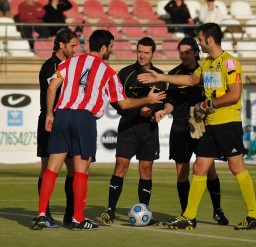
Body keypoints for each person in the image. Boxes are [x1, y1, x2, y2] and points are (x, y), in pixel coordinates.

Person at [32, 30, 166, 231]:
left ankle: (41, 214)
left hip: (62, 115)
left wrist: (50, 114)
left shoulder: (72, 61)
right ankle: (78, 219)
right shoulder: (108, 71)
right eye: (111, 47)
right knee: (81, 169)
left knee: (52, 168)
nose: (112, 50)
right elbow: (123, 103)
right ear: (103, 48)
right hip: (83, 118)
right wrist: (148, 99)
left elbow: (52, 87)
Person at [138, 23, 256, 230]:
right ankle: (189, 216)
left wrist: (207, 105)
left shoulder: (230, 63)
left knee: (236, 167)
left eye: (201, 39)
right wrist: (160, 77)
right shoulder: (206, 64)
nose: (200, 42)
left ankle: (253, 215)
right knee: (199, 167)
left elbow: (234, 94)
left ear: (210, 40)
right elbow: (190, 79)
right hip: (210, 125)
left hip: (227, 123)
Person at [155, 37, 228, 225]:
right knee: (181, 170)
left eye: (188, 52)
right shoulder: (174, 74)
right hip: (180, 126)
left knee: (209, 169)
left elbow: (216, 95)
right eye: (181, 52)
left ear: (196, 52)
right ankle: (187, 214)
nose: (184, 55)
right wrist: (165, 110)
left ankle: (217, 210)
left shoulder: (206, 70)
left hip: (203, 125)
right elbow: (170, 101)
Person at [100, 37, 165, 226]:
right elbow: (116, 103)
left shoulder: (159, 76)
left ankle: (145, 212)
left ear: (153, 53)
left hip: (149, 129)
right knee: (121, 166)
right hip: (128, 126)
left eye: (146, 52)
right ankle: (110, 210)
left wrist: (156, 113)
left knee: (146, 170)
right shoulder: (125, 74)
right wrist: (140, 109)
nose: (142, 55)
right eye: (139, 51)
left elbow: (162, 103)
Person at [36, 28, 78, 228]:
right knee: (47, 169)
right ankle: (45, 214)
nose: (75, 49)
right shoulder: (50, 66)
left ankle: (70, 215)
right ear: (61, 45)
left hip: (68, 122)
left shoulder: (73, 65)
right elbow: (53, 90)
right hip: (49, 122)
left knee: (72, 170)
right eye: (72, 45)